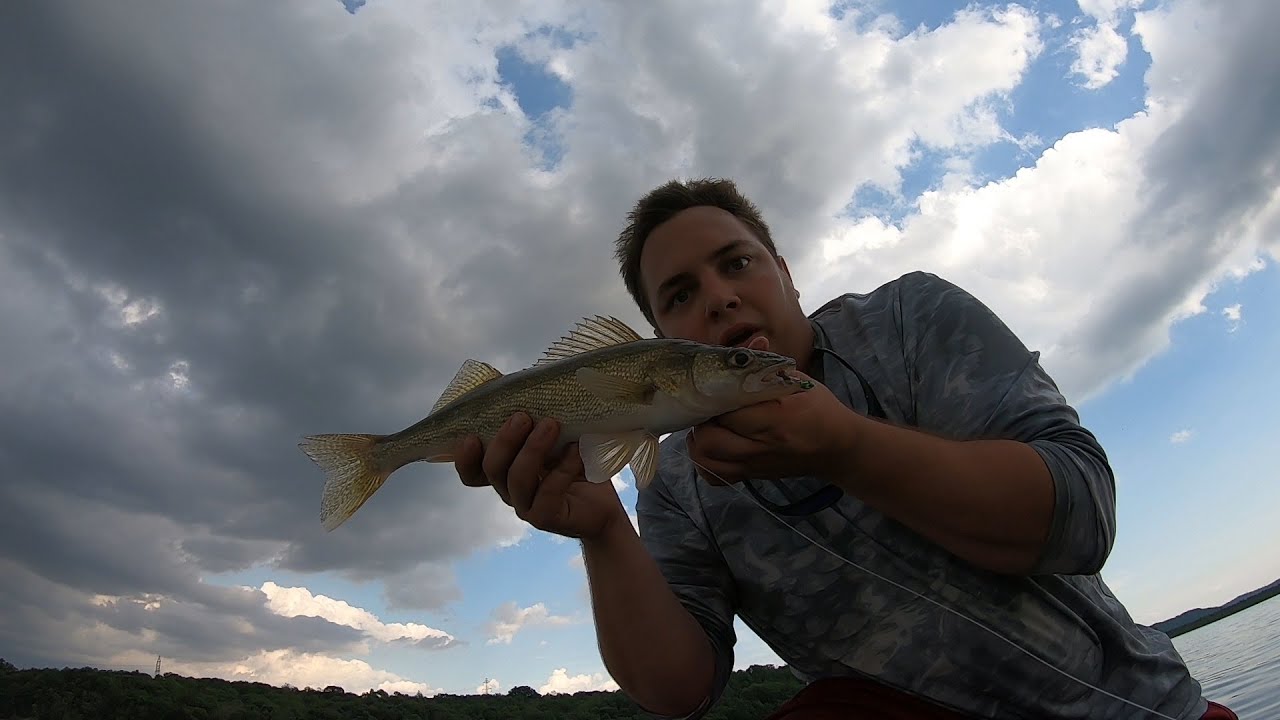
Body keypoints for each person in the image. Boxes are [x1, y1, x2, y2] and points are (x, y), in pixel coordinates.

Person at [453, 178, 1235, 719]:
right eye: (680, 295)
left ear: (787, 274)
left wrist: (844, 447)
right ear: (661, 341)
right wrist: (600, 530)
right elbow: (680, 692)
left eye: (737, 262)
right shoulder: (673, 481)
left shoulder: (908, 320)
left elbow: (1081, 515)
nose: (720, 296)